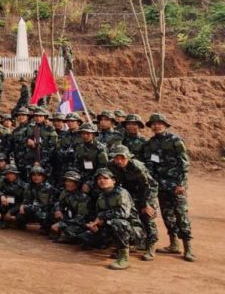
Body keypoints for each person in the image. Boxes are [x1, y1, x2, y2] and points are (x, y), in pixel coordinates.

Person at [142, 113, 194, 262]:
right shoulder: (150, 143)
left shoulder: (175, 140)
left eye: (159, 123)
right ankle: (174, 244)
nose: (156, 126)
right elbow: (150, 165)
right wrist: (152, 184)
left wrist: (182, 184)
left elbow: (184, 163)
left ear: (165, 125)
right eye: (153, 124)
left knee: (181, 214)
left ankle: (188, 248)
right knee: (167, 215)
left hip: (176, 185)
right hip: (161, 186)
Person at [81, 168, 146, 271]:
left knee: (118, 223)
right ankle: (114, 246)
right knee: (86, 237)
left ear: (113, 180)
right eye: (99, 179)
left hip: (133, 230)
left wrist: (102, 218)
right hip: (111, 226)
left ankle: (124, 257)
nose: (101, 181)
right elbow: (98, 216)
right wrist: (95, 225)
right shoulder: (101, 197)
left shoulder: (121, 193)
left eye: (105, 178)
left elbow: (123, 213)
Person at [108, 145, 159, 261]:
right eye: (116, 158)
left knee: (147, 216)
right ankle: (132, 243)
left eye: (122, 158)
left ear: (128, 158)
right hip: (128, 194)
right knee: (127, 216)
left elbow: (148, 186)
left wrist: (146, 204)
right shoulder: (111, 165)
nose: (119, 161)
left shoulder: (137, 167)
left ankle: (151, 246)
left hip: (147, 192)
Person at [51, 171, 90, 244]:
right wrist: (58, 210)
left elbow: (81, 217)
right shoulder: (65, 192)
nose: (67, 183)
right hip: (70, 218)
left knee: (69, 232)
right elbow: (59, 203)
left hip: (81, 222)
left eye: (70, 181)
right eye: (66, 181)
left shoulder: (83, 197)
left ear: (77, 183)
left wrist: (62, 224)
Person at [19, 166, 57, 233]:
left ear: (43, 177)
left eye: (39, 175)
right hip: (33, 208)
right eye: (33, 175)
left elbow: (47, 205)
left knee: (41, 213)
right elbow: (26, 199)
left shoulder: (49, 188)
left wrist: (29, 207)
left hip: (46, 211)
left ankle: (46, 227)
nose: (36, 177)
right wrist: (23, 205)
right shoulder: (29, 186)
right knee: (20, 216)